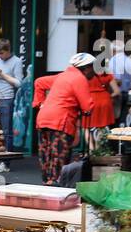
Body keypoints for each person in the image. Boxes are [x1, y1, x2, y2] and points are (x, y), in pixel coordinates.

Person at [35, 52, 97, 185]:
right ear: (86, 68)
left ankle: (47, 184)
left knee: (46, 155)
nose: (94, 71)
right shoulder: (79, 78)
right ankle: (56, 187)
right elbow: (87, 106)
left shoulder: (63, 75)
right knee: (59, 157)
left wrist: (40, 103)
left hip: (43, 118)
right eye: (92, 67)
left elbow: (39, 82)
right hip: (61, 120)